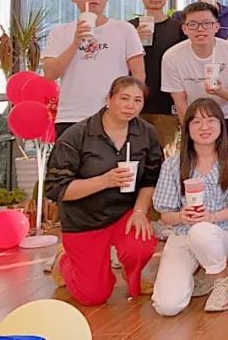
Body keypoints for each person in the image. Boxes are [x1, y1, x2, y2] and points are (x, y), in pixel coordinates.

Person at [43, 77, 163, 306]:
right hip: (84, 218)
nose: (130, 106)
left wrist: (139, 211)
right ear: (109, 99)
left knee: (140, 244)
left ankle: (133, 274)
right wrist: (104, 181)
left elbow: (151, 178)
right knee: (93, 296)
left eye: (137, 100)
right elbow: (56, 188)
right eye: (124, 98)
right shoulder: (77, 136)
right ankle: (64, 261)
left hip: (124, 212)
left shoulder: (146, 133)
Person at [151, 99, 228, 315]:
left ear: (221, 124)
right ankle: (198, 273)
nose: (204, 127)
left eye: (210, 120)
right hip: (182, 235)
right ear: (186, 127)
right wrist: (180, 216)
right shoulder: (173, 164)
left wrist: (211, 217)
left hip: (219, 234)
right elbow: (164, 214)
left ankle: (221, 283)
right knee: (167, 306)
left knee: (201, 231)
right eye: (196, 122)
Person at [44, 0, 145, 137]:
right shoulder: (59, 32)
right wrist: (75, 42)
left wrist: (133, 107)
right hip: (71, 115)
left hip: (114, 114)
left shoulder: (125, 29)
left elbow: (139, 75)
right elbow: (49, 74)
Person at [161, 2, 228, 150]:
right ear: (184, 29)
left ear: (217, 27)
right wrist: (189, 128)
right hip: (194, 119)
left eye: (207, 23)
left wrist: (219, 91)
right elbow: (180, 100)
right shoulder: (172, 56)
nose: (200, 29)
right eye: (193, 25)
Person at [129, 0, 185, 147]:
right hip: (132, 104)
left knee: (166, 155)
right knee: (133, 152)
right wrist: (133, 39)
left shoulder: (179, 28)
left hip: (167, 106)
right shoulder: (128, 29)